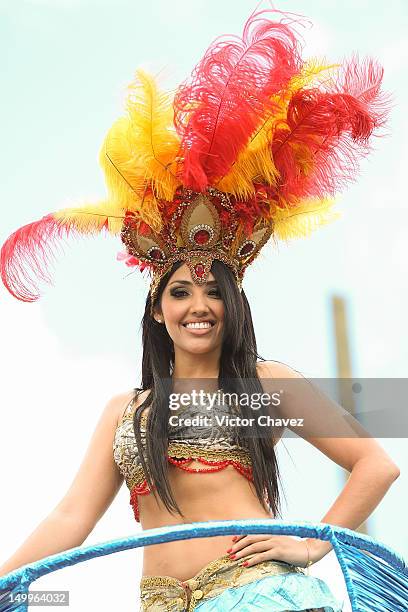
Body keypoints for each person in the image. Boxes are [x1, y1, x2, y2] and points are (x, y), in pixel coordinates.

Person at [0, 9, 400, 611]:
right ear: (157, 311)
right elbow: (68, 517)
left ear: (233, 306)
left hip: (260, 596)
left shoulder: (264, 385)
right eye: (181, 293)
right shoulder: (123, 412)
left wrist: (313, 544)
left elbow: (376, 465)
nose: (200, 306)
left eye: (215, 291)